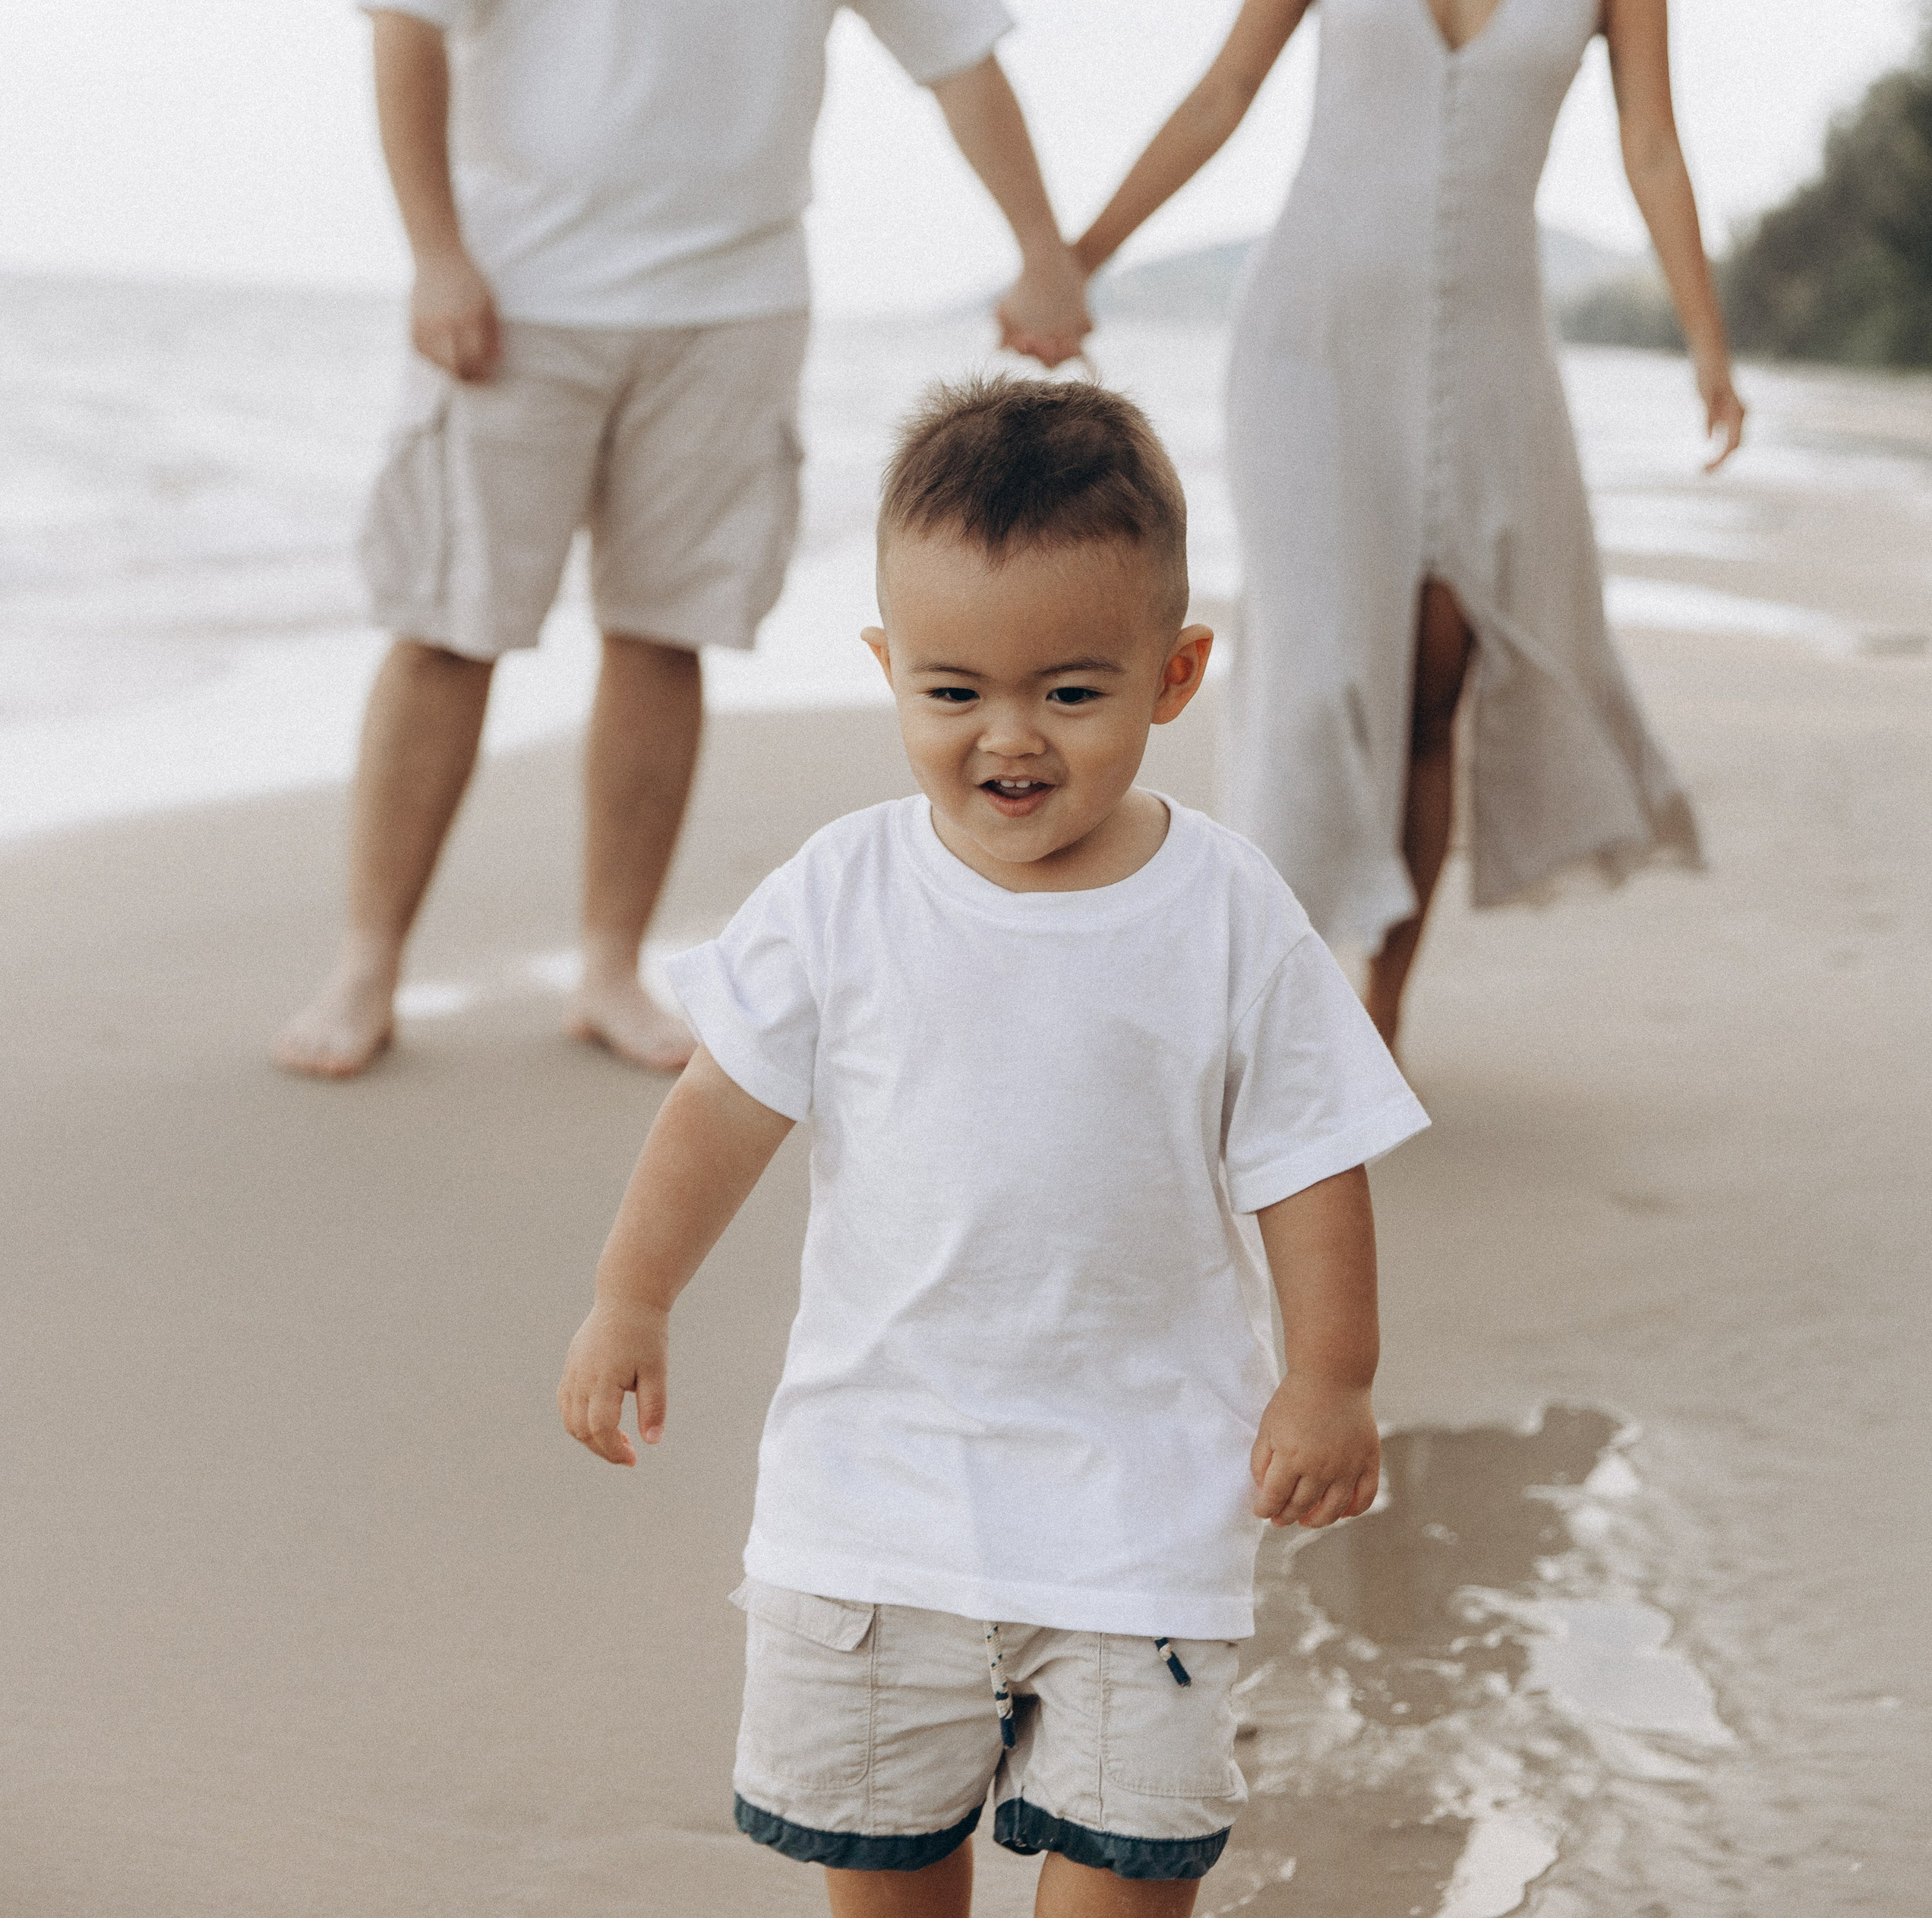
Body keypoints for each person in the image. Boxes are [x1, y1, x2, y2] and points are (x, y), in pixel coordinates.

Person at [560, 375, 1428, 1915]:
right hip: (876, 1500)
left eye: (1070, 694)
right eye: (951, 692)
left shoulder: (1224, 913)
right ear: (889, 668)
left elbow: (1307, 1157)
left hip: (1139, 1506)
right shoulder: (844, 893)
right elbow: (716, 1105)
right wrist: (633, 1294)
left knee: (1121, 1876)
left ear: (1174, 673)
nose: (1006, 739)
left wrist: (1330, 1372)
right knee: (885, 1876)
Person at [275, 0, 1089, 1079]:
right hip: (513, 297)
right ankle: (365, 967)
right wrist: (434, 249)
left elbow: (957, 55)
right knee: (448, 628)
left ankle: (605, 965)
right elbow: (405, 20)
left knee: (665, 634)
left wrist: (1044, 248)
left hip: (728, 307)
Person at [1070, 0, 1746, 1051]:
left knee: (1439, 680)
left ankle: (1374, 1016)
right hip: (1310, 342)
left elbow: (1655, 152)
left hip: (1494, 356)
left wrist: (1707, 348)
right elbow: (1219, 97)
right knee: (1317, 676)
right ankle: (1259, 999)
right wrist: (1082, 253)